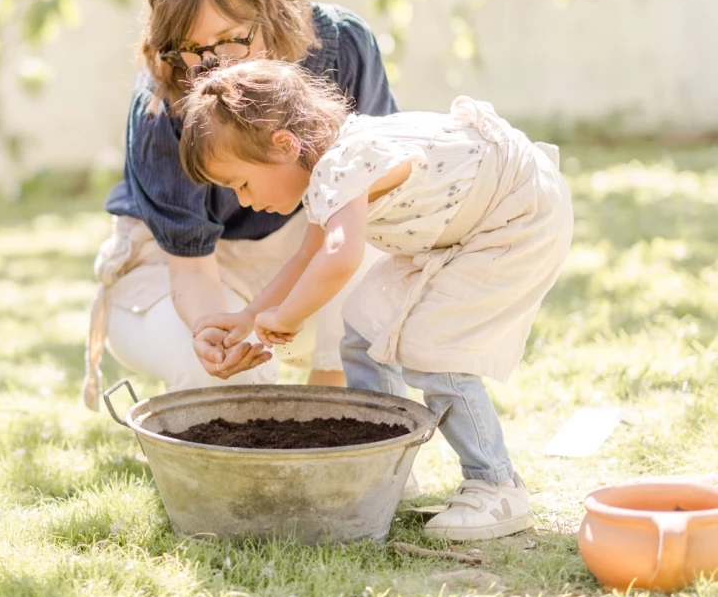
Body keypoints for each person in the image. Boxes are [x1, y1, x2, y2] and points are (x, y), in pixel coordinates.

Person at [177, 60, 573, 540]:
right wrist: (247, 316)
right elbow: (310, 253)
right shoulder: (328, 167)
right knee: (364, 328)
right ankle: (386, 467)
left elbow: (341, 258)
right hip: (460, 229)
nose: (242, 200)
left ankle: (496, 486)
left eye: (241, 183)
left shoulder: (343, 163)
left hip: (514, 214)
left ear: (284, 145)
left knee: (434, 347)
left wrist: (288, 317)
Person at [84, 0, 396, 408]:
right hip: (179, 267)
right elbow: (190, 269)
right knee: (228, 376)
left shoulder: (342, 47)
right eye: (191, 48)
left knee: (370, 261)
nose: (214, 67)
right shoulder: (162, 103)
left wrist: (329, 370)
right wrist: (215, 331)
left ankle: (350, 432)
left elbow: (372, 206)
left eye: (232, 39)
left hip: (308, 241)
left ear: (271, 9)